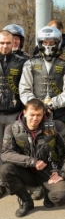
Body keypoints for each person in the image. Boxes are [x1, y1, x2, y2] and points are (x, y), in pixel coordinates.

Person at [19, 26, 65, 198]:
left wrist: (53, 103)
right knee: (36, 148)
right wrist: (38, 107)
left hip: (59, 114)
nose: (48, 45)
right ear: (40, 43)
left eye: (52, 42)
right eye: (45, 42)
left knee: (63, 147)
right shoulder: (30, 63)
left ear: (58, 43)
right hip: (37, 115)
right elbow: (24, 89)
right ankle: (37, 182)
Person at [0, 98, 65, 218]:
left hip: (51, 171)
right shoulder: (12, 129)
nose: (35, 118)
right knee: (5, 170)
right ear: (25, 112)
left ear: (43, 113)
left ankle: (47, 190)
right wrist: (32, 161)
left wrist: (63, 173)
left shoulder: (56, 126)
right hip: (27, 172)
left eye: (39, 115)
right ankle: (26, 200)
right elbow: (5, 153)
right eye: (32, 114)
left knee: (61, 197)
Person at [0, 30, 27, 198]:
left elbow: (26, 87)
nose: (5, 46)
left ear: (14, 43)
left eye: (8, 43)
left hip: (14, 113)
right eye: (2, 43)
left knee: (13, 149)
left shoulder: (22, 62)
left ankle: (15, 181)